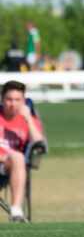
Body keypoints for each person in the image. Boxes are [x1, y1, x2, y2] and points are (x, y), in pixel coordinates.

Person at [0, 81, 47, 222]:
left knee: (18, 158)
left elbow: (39, 144)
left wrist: (28, 119)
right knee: (17, 157)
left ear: (24, 101)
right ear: (2, 99)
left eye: (17, 100)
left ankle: (16, 211)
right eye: (9, 99)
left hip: (11, 167)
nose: (13, 104)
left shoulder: (28, 119)